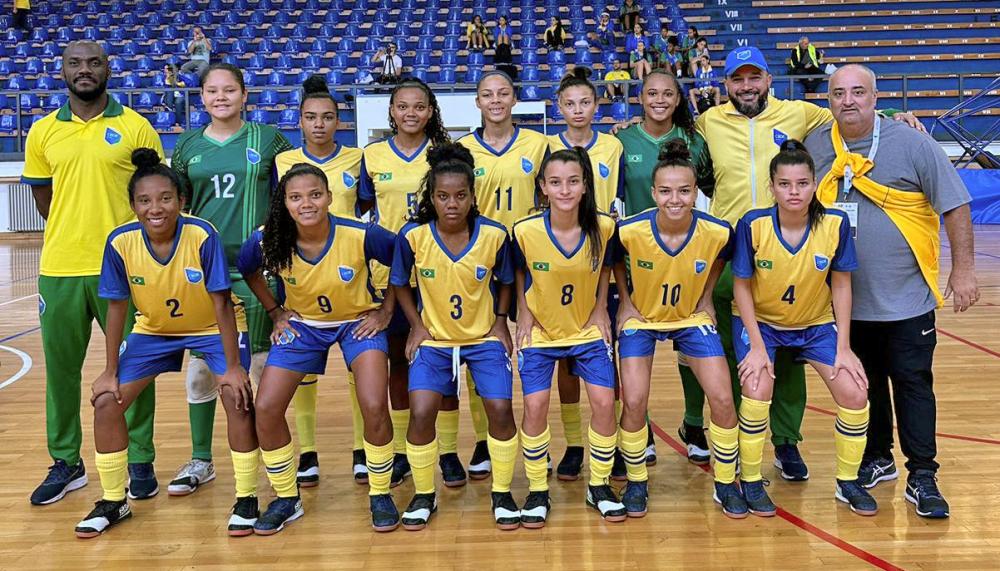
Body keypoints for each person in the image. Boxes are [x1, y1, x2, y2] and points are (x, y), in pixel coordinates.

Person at [692, 46, 924, 481]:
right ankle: (708, 428)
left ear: (768, 79)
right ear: (725, 85)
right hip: (726, 253)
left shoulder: (799, 113)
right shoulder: (709, 121)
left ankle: (785, 442)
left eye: (754, 77)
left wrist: (895, 113)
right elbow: (672, 133)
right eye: (737, 79)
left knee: (788, 352)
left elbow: (852, 112)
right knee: (716, 351)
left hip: (792, 252)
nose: (746, 86)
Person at [806, 64, 978, 519]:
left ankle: (923, 473)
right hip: (845, 301)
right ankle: (878, 456)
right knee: (867, 383)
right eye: (839, 93)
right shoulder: (817, 146)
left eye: (858, 92)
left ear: (876, 98)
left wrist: (964, 271)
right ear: (828, 99)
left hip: (906, 297)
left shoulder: (913, 142)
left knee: (912, 383)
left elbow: (956, 205)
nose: (848, 101)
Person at [75, 149, 256, 539]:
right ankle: (113, 501)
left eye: (165, 198)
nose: (155, 208)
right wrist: (109, 372)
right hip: (154, 331)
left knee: (234, 394)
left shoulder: (202, 234)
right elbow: (117, 308)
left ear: (181, 201)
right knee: (107, 402)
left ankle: (246, 497)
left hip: (211, 326)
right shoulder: (120, 242)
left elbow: (222, 302)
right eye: (144, 200)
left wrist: (234, 366)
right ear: (133, 205)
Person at [22, 41, 160, 506]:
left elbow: (153, 196)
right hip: (59, 267)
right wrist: (73, 228)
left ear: (108, 68)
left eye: (93, 62)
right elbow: (45, 200)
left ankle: (140, 458)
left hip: (123, 267)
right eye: (75, 64)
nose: (84, 70)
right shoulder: (42, 131)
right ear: (62, 71)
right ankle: (66, 461)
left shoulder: (135, 126)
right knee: (61, 372)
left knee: (132, 365)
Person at [237, 164, 398, 534]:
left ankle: (380, 492)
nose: (306, 203)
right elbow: (248, 270)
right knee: (266, 406)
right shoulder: (267, 238)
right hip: (305, 326)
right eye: (295, 197)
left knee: (374, 402)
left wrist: (386, 310)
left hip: (357, 321)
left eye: (314, 195)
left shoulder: (361, 234)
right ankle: (285, 497)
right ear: (285, 203)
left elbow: (402, 259)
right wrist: (276, 311)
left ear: (328, 197)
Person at [731, 139, 878, 517]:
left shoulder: (835, 223)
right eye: (784, 184)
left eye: (801, 183)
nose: (793, 192)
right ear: (772, 187)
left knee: (854, 391)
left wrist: (844, 346)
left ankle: (848, 482)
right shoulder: (754, 224)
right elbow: (741, 286)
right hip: (762, 322)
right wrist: (758, 347)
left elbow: (842, 284)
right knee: (756, 385)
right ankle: (749, 479)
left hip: (815, 324)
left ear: (815, 184)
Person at [169, 63, 292, 497]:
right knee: (204, 369)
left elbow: (287, 198)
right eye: (211, 91)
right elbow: (175, 207)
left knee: (259, 366)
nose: (220, 97)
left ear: (244, 94)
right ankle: (201, 460)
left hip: (258, 268)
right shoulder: (185, 147)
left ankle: (266, 460)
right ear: (201, 97)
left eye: (229, 90)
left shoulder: (269, 139)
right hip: (205, 272)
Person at [361, 79, 489, 488]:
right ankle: (401, 451)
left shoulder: (444, 156)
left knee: (447, 364)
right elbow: (364, 207)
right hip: (391, 275)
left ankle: (448, 452)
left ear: (431, 110)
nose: (410, 113)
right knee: (399, 361)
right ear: (391, 111)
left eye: (419, 106)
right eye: (402, 106)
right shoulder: (373, 154)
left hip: (440, 271)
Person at [391, 143, 520, 531]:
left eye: (460, 195)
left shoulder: (494, 235)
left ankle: (501, 492)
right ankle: (424, 494)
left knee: (499, 409)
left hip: (482, 338)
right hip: (434, 341)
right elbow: (399, 284)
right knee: (423, 410)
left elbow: (508, 282)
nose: (452, 203)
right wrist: (416, 324)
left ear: (472, 197)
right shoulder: (413, 236)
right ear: (431, 197)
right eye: (443, 196)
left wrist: (500, 321)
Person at [614, 140, 745, 519]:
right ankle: (637, 481)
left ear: (696, 193)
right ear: (653, 193)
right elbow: (612, 262)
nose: (676, 199)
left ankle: (725, 481)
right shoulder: (629, 230)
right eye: (667, 191)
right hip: (644, 318)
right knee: (635, 400)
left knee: (722, 397)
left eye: (685, 191)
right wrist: (625, 300)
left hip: (690, 317)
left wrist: (705, 298)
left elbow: (721, 259)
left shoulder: (718, 231)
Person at [512, 149, 622, 526]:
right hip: (542, 328)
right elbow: (519, 273)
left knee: (605, 404)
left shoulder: (604, 227)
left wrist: (599, 309)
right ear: (543, 187)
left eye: (573, 181)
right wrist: (523, 313)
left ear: (585, 186)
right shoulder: (525, 231)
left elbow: (607, 266)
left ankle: (600, 485)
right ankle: (538, 489)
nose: (564, 189)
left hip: (586, 328)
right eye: (555, 182)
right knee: (536, 406)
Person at [616, 69, 714, 465]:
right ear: (640, 97)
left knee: (689, 346)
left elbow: (711, 189)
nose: (659, 99)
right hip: (637, 262)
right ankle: (643, 424)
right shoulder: (621, 141)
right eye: (651, 92)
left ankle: (692, 422)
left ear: (678, 99)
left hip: (686, 258)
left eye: (667, 93)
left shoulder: (695, 141)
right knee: (639, 348)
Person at [275, 75, 365, 487]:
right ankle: (307, 453)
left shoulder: (356, 159)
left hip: (349, 278)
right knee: (304, 371)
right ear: (299, 120)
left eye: (328, 117)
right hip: (302, 279)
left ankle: (362, 450)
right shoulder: (282, 162)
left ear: (339, 122)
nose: (319, 124)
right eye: (311, 117)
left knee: (357, 368)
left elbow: (364, 211)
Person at [458, 70, 549, 471]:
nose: (495, 100)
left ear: (515, 100)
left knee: (534, 345)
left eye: (503, 93)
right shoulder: (461, 149)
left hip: (530, 258)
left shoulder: (539, 143)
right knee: (483, 347)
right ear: (477, 102)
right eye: (486, 94)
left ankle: (535, 440)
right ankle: (483, 439)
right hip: (480, 259)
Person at [547, 69, 625, 482]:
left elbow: (621, 202)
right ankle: (575, 443)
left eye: (585, 102)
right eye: (569, 103)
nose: (578, 110)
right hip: (560, 264)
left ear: (598, 106)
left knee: (607, 354)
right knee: (565, 359)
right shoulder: (547, 147)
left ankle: (609, 441)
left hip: (600, 257)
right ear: (558, 108)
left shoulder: (613, 146)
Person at [493, 15, 516, 80]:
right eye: (500, 20)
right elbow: (495, 36)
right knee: (500, 35)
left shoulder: (509, 28)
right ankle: (500, 52)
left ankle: (505, 51)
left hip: (507, 43)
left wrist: (503, 31)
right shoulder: (497, 28)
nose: (501, 21)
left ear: (505, 21)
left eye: (502, 20)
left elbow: (509, 35)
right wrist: (500, 30)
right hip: (499, 43)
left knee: (505, 35)